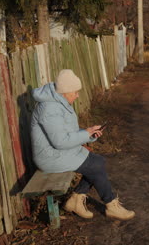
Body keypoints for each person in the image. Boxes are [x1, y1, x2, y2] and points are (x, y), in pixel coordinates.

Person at [30, 69, 135, 220]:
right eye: (75, 92)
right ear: (65, 92)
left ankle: (75, 200)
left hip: (59, 151)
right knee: (95, 166)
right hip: (49, 156)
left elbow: (68, 132)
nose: (77, 95)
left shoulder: (60, 102)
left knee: (98, 161)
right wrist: (85, 133)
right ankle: (111, 205)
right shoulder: (49, 109)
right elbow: (60, 141)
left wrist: (90, 134)